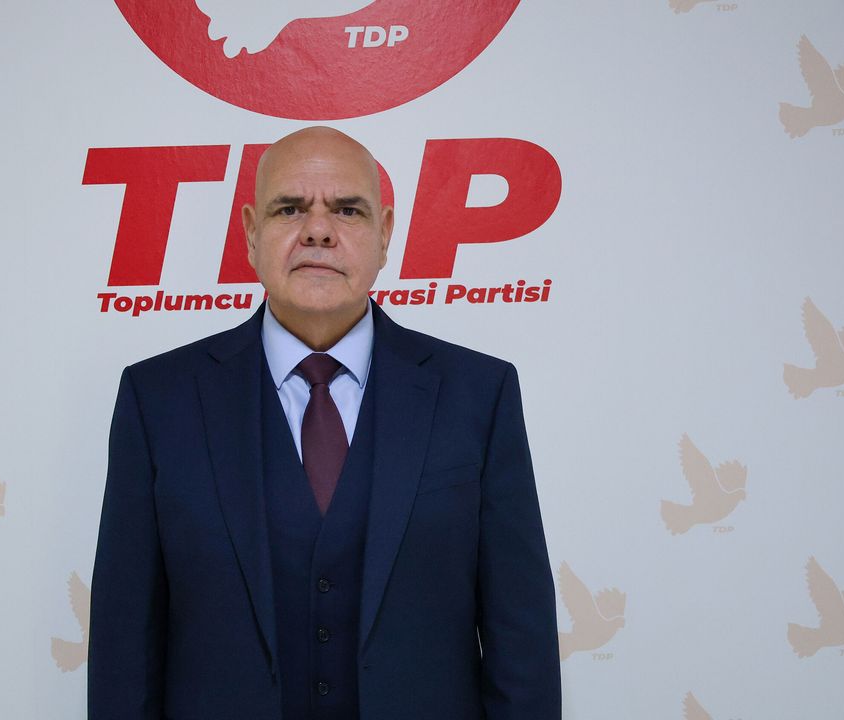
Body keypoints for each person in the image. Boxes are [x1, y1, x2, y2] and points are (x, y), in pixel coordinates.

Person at [89, 126, 560, 720]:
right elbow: (124, 645)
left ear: (385, 234)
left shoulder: (478, 395)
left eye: (347, 210)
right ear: (251, 233)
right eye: (290, 208)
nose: (318, 229)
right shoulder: (158, 400)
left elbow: (521, 638)